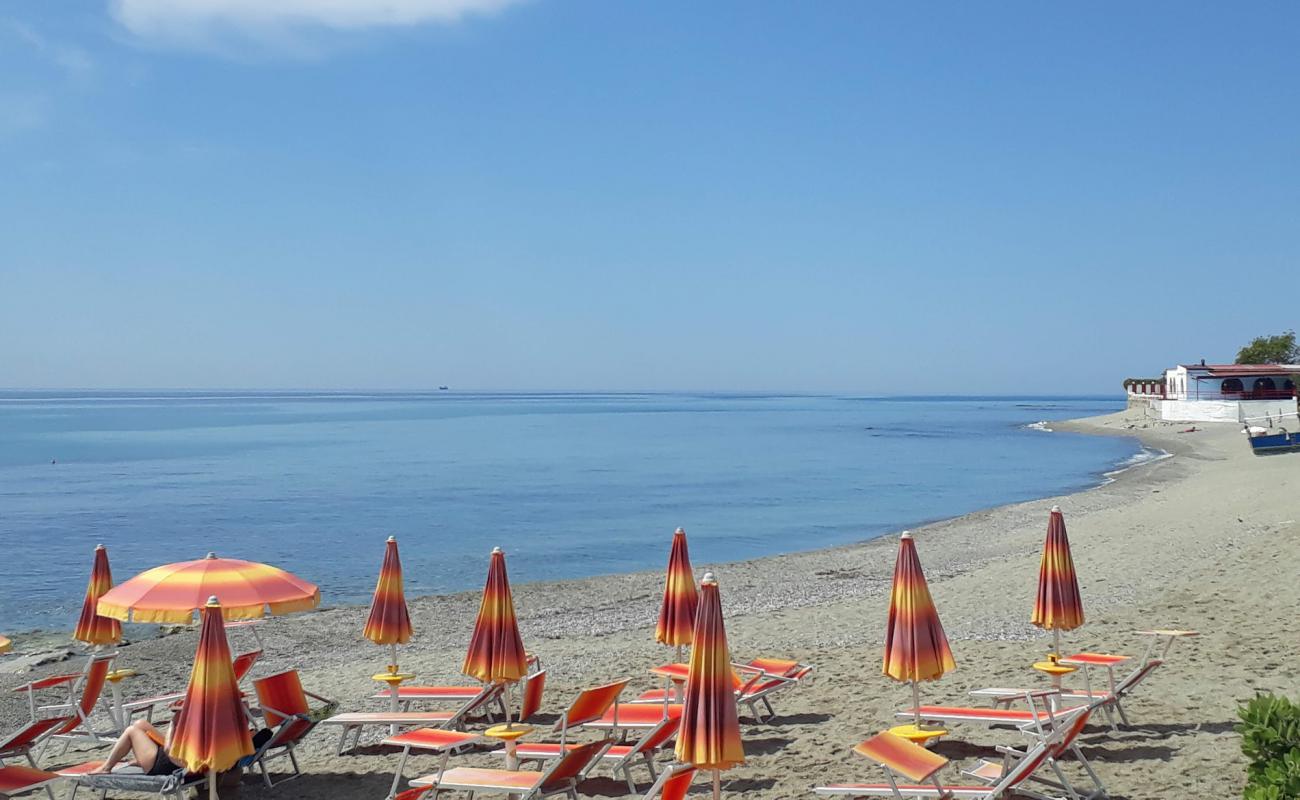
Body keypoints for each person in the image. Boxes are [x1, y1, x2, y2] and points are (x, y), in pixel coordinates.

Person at [88, 719, 182, 776]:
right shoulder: (195, 719)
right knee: (140, 724)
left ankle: (106, 768)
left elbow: (168, 750)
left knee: (131, 731)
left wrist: (173, 723)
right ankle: (142, 760)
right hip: (177, 754)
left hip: (166, 764)